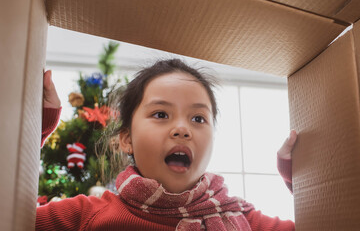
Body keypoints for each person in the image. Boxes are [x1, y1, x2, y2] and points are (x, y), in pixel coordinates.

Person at [38, 59, 297, 230]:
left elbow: (332, 219)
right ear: (127, 139)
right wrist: (34, 131)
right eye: (161, 114)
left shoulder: (246, 220)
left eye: (198, 118)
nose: (183, 129)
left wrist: (301, 180)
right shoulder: (89, 215)